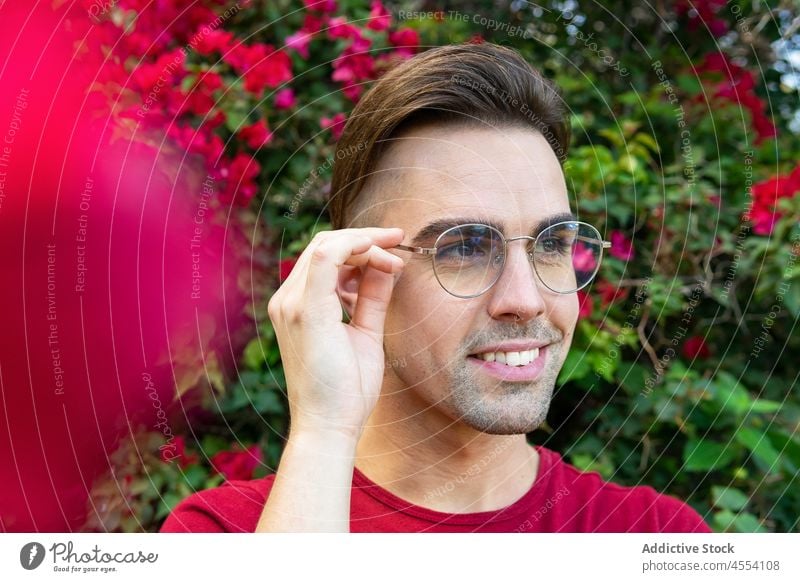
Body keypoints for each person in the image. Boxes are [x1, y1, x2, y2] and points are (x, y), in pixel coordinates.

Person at [161, 42, 711, 533]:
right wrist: (323, 431)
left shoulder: (653, 535)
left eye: (550, 242)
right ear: (354, 278)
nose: (525, 299)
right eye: (466, 248)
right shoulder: (228, 535)